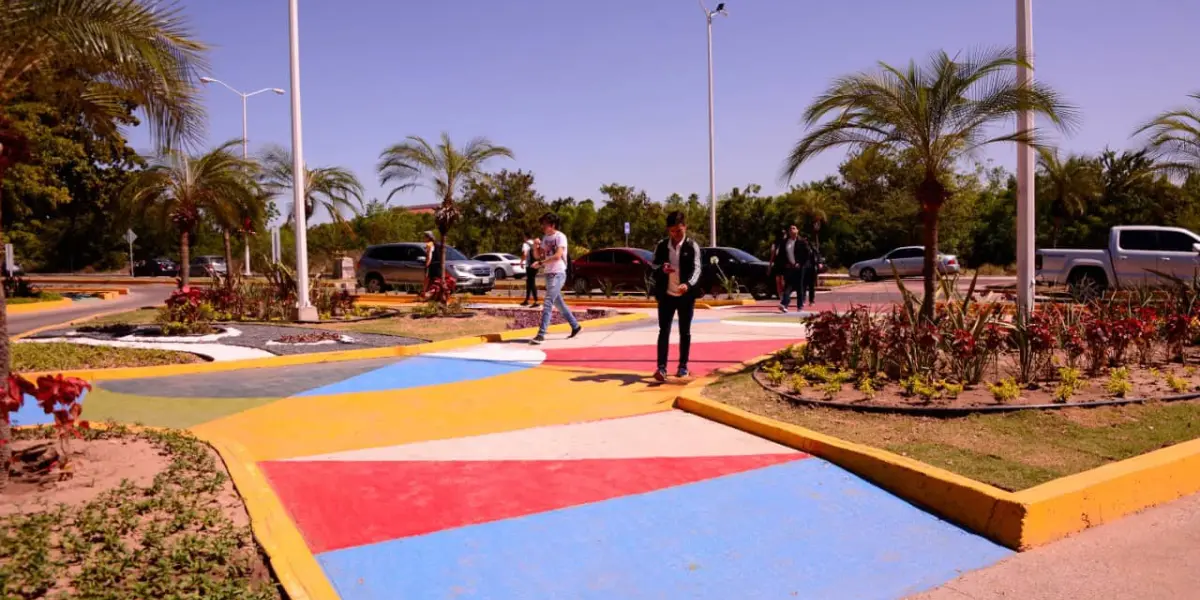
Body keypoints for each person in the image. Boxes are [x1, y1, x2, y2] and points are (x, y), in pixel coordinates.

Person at [651, 210, 703, 381]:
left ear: (685, 227)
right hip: (666, 294)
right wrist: (662, 269)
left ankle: (682, 366)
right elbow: (653, 266)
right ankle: (661, 368)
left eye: (679, 231)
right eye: (672, 231)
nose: (676, 235)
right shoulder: (662, 245)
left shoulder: (691, 246)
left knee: (684, 331)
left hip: (685, 296)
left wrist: (687, 285)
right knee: (663, 330)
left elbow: (697, 269)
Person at [530, 212, 582, 345]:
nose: (542, 226)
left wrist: (541, 263)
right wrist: (535, 247)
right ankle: (575, 326)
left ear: (552, 225)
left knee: (548, 302)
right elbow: (539, 256)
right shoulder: (545, 237)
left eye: (545, 224)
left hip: (558, 273)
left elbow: (558, 255)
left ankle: (541, 334)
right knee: (558, 303)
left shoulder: (560, 237)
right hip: (548, 273)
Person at [778, 225, 812, 313]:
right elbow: (781, 255)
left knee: (799, 286)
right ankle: (784, 304)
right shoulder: (785, 242)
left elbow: (807, 254)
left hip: (800, 268)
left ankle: (800, 306)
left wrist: (799, 263)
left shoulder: (802, 241)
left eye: (794, 228)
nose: (792, 230)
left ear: (797, 230)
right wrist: (785, 264)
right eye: (790, 229)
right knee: (788, 286)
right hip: (789, 268)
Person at [520, 234, 539, 307]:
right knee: (529, 283)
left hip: (529, 266)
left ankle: (536, 301)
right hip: (535, 265)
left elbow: (524, 253)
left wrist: (521, 261)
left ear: (525, 237)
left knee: (531, 283)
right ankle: (527, 300)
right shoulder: (533, 243)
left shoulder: (525, 244)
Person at [768, 228, 788, 296]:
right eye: (783, 234)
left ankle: (785, 295)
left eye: (785, 234)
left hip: (785, 263)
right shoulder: (775, 244)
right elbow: (772, 256)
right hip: (777, 263)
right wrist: (769, 267)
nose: (784, 235)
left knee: (782, 281)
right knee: (778, 281)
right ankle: (781, 296)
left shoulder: (787, 243)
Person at [421, 231, 436, 297]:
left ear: (428, 237)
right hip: (434, 263)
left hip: (430, 263)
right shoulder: (434, 244)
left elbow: (429, 255)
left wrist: (427, 264)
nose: (424, 238)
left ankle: (424, 292)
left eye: (425, 237)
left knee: (427, 278)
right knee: (430, 279)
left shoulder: (429, 245)